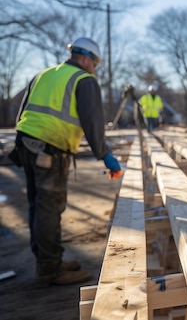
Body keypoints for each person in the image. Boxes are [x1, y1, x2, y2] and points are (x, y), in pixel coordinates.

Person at [10, 37, 122, 288]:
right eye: (95, 63)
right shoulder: (84, 80)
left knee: (37, 206)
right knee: (49, 209)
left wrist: (22, 142)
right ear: (85, 59)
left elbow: (22, 112)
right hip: (50, 149)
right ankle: (50, 270)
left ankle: (48, 260)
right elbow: (92, 121)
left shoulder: (45, 74)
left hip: (26, 145)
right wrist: (104, 154)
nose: (94, 69)